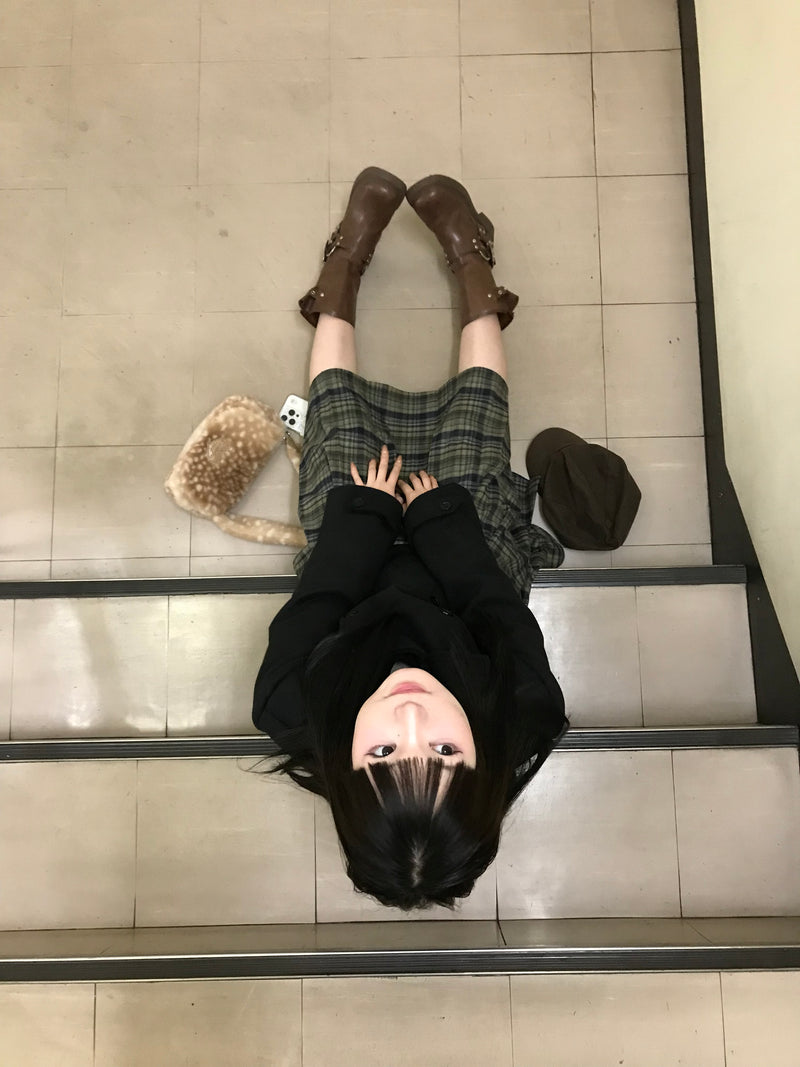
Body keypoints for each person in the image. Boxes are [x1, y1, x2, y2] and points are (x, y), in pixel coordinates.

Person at [252, 167, 568, 911]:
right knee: (475, 438)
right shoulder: (525, 709)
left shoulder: (291, 708)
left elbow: (321, 595)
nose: (413, 715)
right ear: (486, 768)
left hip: (357, 571)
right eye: (448, 751)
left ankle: (343, 269)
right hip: (463, 570)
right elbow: (491, 601)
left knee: (340, 440)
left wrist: (367, 510)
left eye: (384, 753)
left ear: (346, 773)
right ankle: (473, 264)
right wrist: (437, 518)